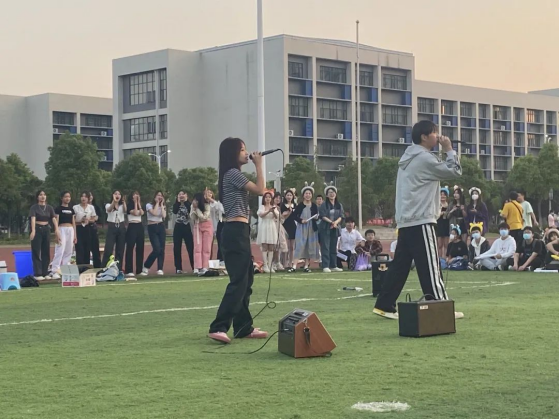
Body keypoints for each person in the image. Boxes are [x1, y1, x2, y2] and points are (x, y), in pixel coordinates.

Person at [373, 121, 463, 321]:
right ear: (424, 137)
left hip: (407, 219)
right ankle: (440, 305)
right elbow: (454, 171)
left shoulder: (409, 157)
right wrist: (449, 150)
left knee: (400, 266)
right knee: (430, 265)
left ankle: (384, 305)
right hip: (421, 219)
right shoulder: (424, 158)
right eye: (434, 133)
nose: (437, 136)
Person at [209, 137, 269, 344]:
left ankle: (243, 327)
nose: (246, 153)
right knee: (239, 281)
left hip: (239, 230)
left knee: (246, 279)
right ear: (232, 153)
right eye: (242, 149)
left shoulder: (233, 174)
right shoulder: (232, 173)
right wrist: (259, 165)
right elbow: (261, 190)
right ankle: (218, 326)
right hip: (235, 231)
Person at [29, 190, 60, 281]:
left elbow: (54, 219)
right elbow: (33, 218)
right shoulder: (34, 207)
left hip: (46, 229)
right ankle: (38, 273)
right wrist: (33, 230)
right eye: (40, 195)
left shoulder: (49, 207)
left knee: (46, 251)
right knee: (36, 251)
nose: (43, 196)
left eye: (44, 195)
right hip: (37, 229)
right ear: (37, 197)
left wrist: (56, 229)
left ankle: (45, 272)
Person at [292, 183, 320, 273]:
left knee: (309, 246)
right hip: (301, 228)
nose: (308, 195)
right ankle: (294, 266)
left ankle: (306, 266)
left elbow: (317, 216)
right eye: (306, 193)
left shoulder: (314, 206)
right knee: (299, 245)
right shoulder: (300, 205)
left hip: (311, 228)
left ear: (312, 195)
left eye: (309, 193)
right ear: (303, 195)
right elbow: (294, 216)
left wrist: (316, 218)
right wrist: (301, 220)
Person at [49, 191, 77, 280]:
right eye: (65, 197)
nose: (67, 198)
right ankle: (55, 270)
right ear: (62, 198)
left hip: (70, 229)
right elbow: (56, 221)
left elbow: (73, 222)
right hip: (61, 229)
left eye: (69, 197)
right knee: (60, 250)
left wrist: (75, 235)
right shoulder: (58, 209)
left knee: (69, 251)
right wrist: (56, 232)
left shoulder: (71, 209)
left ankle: (65, 270)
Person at [319, 183, 345, 273]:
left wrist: (335, 223)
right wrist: (331, 222)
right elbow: (322, 215)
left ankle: (333, 265)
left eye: (333, 192)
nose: (332, 194)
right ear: (326, 195)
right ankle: (325, 265)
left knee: (334, 247)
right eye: (329, 192)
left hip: (335, 228)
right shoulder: (324, 205)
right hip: (325, 228)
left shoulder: (339, 205)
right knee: (325, 247)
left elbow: (341, 216)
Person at [143, 191, 167, 276]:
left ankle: (160, 268)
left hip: (160, 226)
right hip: (152, 226)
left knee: (162, 249)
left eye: (161, 196)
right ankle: (146, 266)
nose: (159, 197)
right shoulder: (149, 205)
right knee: (157, 248)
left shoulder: (163, 206)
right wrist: (157, 203)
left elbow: (164, 216)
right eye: (158, 195)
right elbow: (154, 213)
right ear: (155, 196)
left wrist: (162, 205)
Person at [191, 191, 214, 276]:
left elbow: (204, 217)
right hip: (197, 226)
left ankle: (205, 267)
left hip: (207, 226)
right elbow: (192, 217)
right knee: (197, 247)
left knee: (206, 248)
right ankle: (197, 267)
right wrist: (194, 209)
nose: (194, 201)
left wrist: (197, 209)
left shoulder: (207, 206)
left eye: (196, 200)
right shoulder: (192, 206)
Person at [102, 190, 127, 269]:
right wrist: (114, 201)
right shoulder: (108, 204)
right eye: (115, 194)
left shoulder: (122, 206)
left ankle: (118, 268)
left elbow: (125, 210)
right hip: (112, 226)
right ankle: (105, 268)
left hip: (121, 226)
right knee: (109, 248)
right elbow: (109, 209)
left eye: (119, 194)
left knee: (120, 249)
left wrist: (124, 201)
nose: (117, 195)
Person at [256, 190, 280, 274]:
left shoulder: (274, 207)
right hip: (264, 226)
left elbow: (277, 217)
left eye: (269, 197)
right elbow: (261, 215)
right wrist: (268, 211)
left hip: (271, 226)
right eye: (266, 197)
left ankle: (270, 265)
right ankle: (265, 265)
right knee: (265, 246)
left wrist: (273, 211)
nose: (268, 199)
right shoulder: (262, 207)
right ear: (264, 198)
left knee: (271, 246)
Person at [173, 191, 195, 274]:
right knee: (177, 248)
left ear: (186, 196)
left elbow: (190, 210)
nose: (181, 196)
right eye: (180, 194)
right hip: (178, 226)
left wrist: (185, 201)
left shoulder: (189, 204)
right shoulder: (176, 204)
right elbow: (175, 211)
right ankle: (178, 268)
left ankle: (194, 267)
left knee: (190, 247)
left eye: (183, 194)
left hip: (186, 226)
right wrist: (179, 202)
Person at [125, 191, 145, 277]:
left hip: (139, 225)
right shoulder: (129, 205)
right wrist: (135, 203)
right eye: (134, 195)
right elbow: (136, 213)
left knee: (140, 248)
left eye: (137, 194)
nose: (136, 196)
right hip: (132, 225)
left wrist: (139, 203)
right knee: (130, 248)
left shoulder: (140, 205)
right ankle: (128, 270)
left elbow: (142, 213)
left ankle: (139, 270)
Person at [73, 192, 97, 266]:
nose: (83, 198)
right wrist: (80, 221)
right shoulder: (75, 207)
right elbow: (73, 220)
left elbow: (94, 218)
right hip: (78, 228)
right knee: (79, 248)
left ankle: (86, 267)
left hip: (88, 228)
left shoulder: (91, 207)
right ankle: (80, 267)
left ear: (88, 198)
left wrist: (88, 220)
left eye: (85, 197)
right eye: (82, 196)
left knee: (87, 248)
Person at [205, 189, 225, 263]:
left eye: (210, 193)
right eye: (207, 193)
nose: (209, 194)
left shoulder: (215, 203)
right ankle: (206, 261)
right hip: (205, 226)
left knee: (220, 243)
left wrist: (210, 199)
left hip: (215, 225)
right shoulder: (202, 204)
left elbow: (220, 208)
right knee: (208, 246)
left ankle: (220, 259)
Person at [281, 189, 298, 269]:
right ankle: (284, 263)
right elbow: (282, 216)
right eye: (287, 195)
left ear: (293, 196)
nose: (289, 197)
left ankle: (291, 263)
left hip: (293, 226)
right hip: (285, 225)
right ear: (285, 196)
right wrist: (288, 212)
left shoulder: (295, 205)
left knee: (292, 246)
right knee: (285, 246)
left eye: (290, 195)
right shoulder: (283, 205)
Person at [272, 192, 288, 271]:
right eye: (276, 198)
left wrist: (285, 214)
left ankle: (277, 262)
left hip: (279, 226)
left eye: (279, 198)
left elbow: (281, 220)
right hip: (272, 226)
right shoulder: (271, 207)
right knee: (274, 245)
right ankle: (272, 262)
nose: (278, 199)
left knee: (279, 246)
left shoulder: (279, 208)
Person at [88, 192, 102, 268]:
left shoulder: (96, 207)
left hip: (93, 228)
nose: (90, 197)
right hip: (83, 228)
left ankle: (98, 266)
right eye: (88, 195)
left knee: (95, 248)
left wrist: (90, 219)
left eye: (91, 195)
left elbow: (96, 218)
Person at [437, 187, 451, 257]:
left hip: (446, 225)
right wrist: (441, 213)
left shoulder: (449, 205)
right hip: (439, 225)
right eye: (441, 194)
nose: (442, 196)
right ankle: (439, 258)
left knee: (446, 244)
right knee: (439, 244)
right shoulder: (437, 205)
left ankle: (445, 258)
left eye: (444, 194)